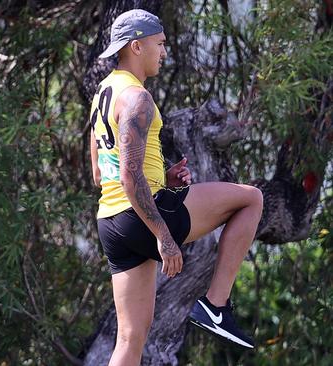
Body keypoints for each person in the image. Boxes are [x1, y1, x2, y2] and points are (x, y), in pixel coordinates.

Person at [89, 9, 263, 365]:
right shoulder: (137, 98)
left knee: (129, 339)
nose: (165, 52)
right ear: (137, 46)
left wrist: (163, 178)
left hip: (111, 222)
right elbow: (129, 176)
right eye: (160, 43)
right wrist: (165, 237)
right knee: (251, 199)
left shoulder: (102, 95)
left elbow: (100, 173)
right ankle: (216, 306)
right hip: (142, 215)